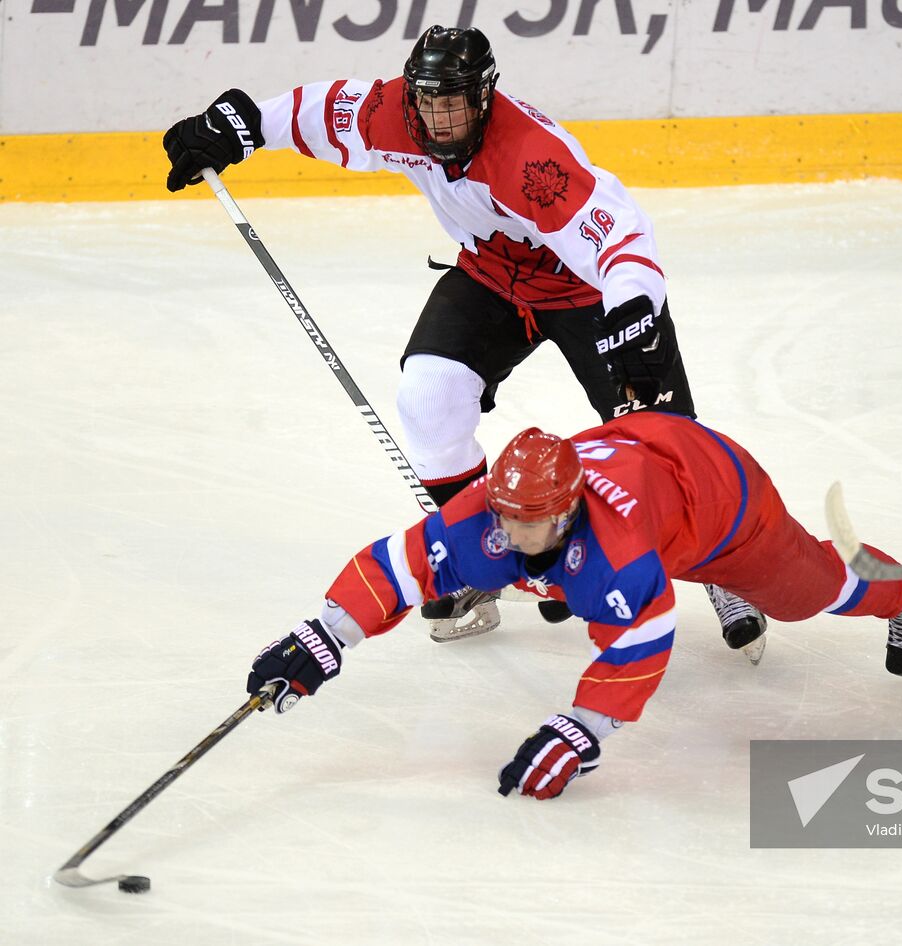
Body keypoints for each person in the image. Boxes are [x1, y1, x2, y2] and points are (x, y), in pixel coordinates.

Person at [161, 24, 763, 648]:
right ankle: (484, 551)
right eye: (427, 101)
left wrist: (634, 310)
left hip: (584, 288)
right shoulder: (395, 113)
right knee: (427, 397)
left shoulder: (532, 159)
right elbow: (320, 112)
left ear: (483, 98)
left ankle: (726, 566)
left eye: (453, 103)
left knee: (669, 441)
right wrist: (241, 123)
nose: (439, 118)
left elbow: (621, 234)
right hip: (491, 275)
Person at [244, 412, 902, 799]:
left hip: (719, 494)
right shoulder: (484, 518)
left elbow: (641, 643)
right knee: (566, 569)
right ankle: (708, 568)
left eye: (533, 522)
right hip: (648, 469)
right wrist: (324, 634)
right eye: (506, 517)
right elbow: (397, 566)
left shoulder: (618, 557)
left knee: (812, 596)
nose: (514, 534)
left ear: (570, 510)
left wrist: (580, 733)